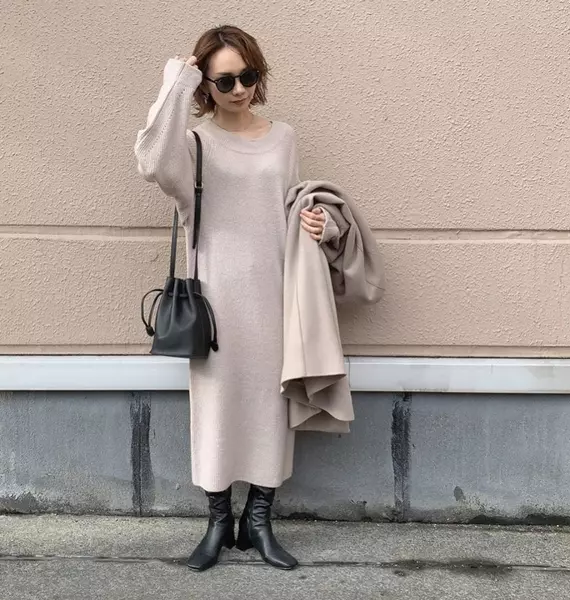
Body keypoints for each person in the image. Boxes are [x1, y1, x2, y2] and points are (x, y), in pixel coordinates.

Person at [134, 25, 333, 572]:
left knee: (272, 408)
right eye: (224, 80)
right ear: (206, 83)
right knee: (216, 411)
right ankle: (219, 522)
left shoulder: (284, 137)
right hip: (215, 304)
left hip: (275, 294)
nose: (240, 89)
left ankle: (259, 522)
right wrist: (177, 82)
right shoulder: (193, 143)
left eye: (248, 76)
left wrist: (322, 224)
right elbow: (150, 161)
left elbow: (293, 207)